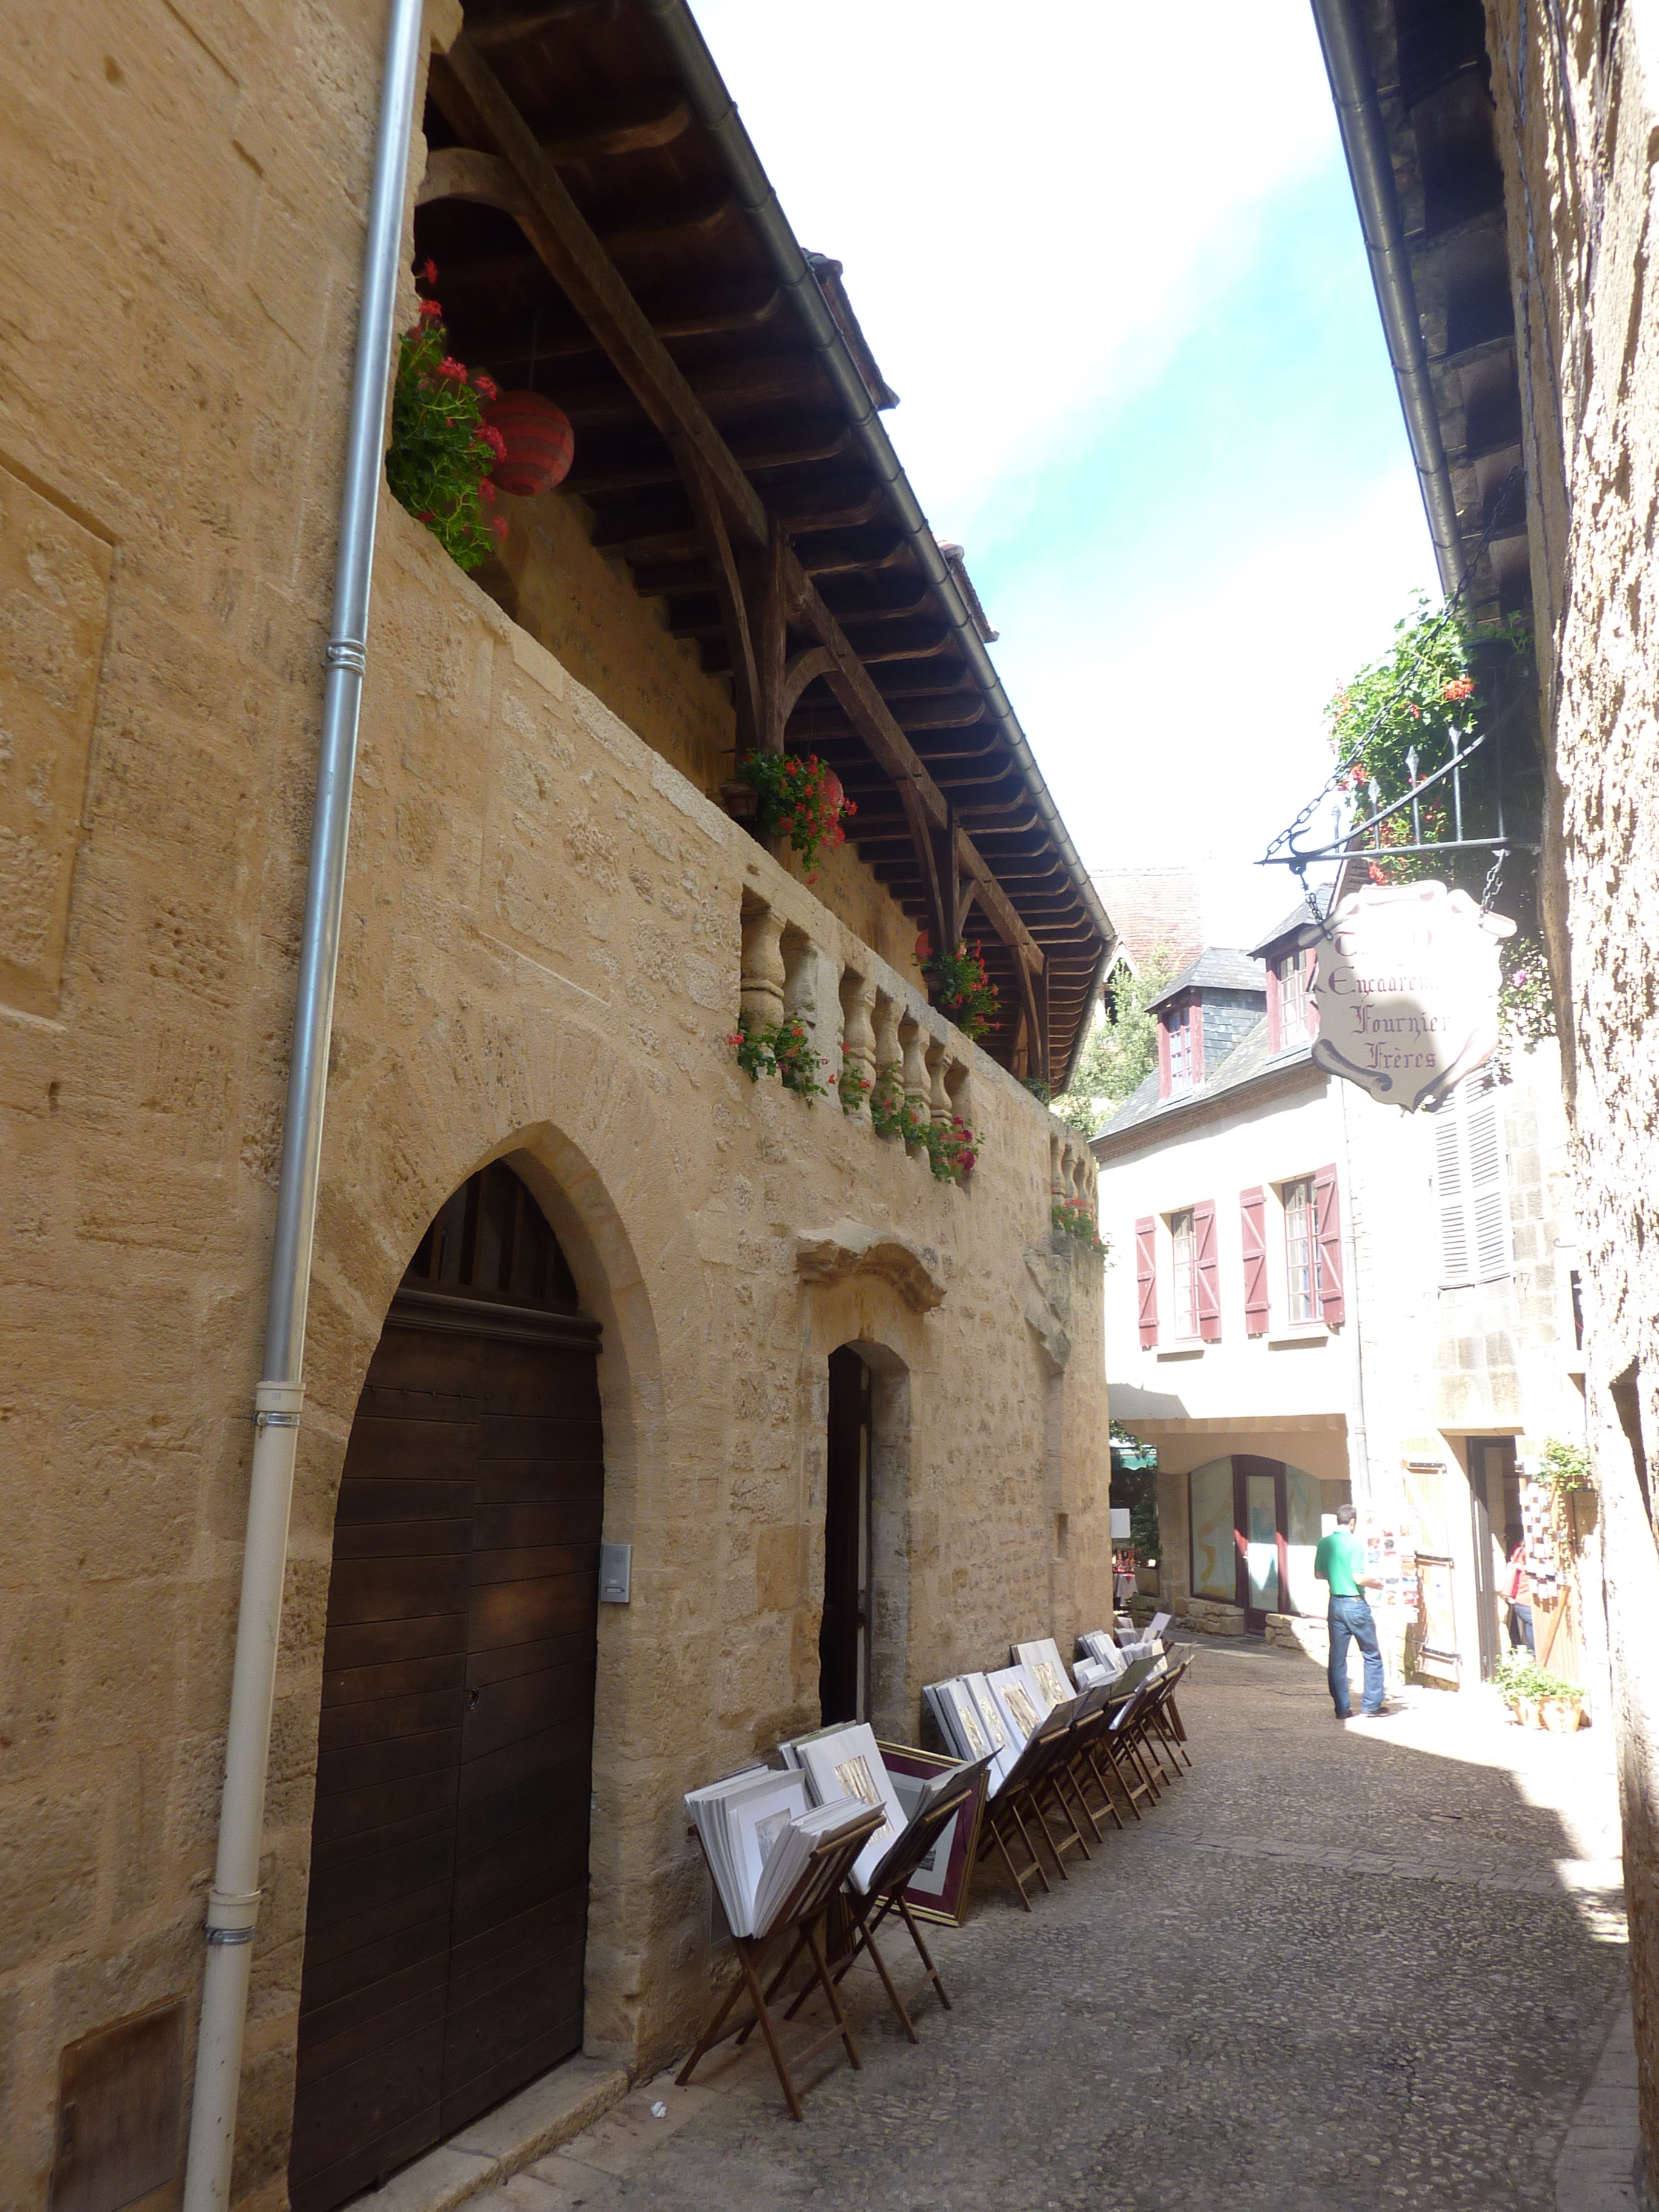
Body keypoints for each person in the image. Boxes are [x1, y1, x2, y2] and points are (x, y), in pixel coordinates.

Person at [1313, 1503, 1390, 1720]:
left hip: (1335, 1603)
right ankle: (1372, 1705)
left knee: (1337, 1658)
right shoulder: (1354, 1545)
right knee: (1371, 1654)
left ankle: (1342, 1708)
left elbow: (1319, 1574)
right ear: (1353, 1522)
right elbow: (1358, 1578)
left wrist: (1337, 1575)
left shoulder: (1324, 1543)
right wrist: (1377, 1583)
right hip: (1355, 1604)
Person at [1506, 1544, 1535, 1655]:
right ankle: (1533, 1653)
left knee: (1529, 1625)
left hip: (1519, 1601)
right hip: (1526, 1602)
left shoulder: (1518, 1552)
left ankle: (1530, 1651)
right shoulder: (1528, 1569)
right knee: (1531, 1624)